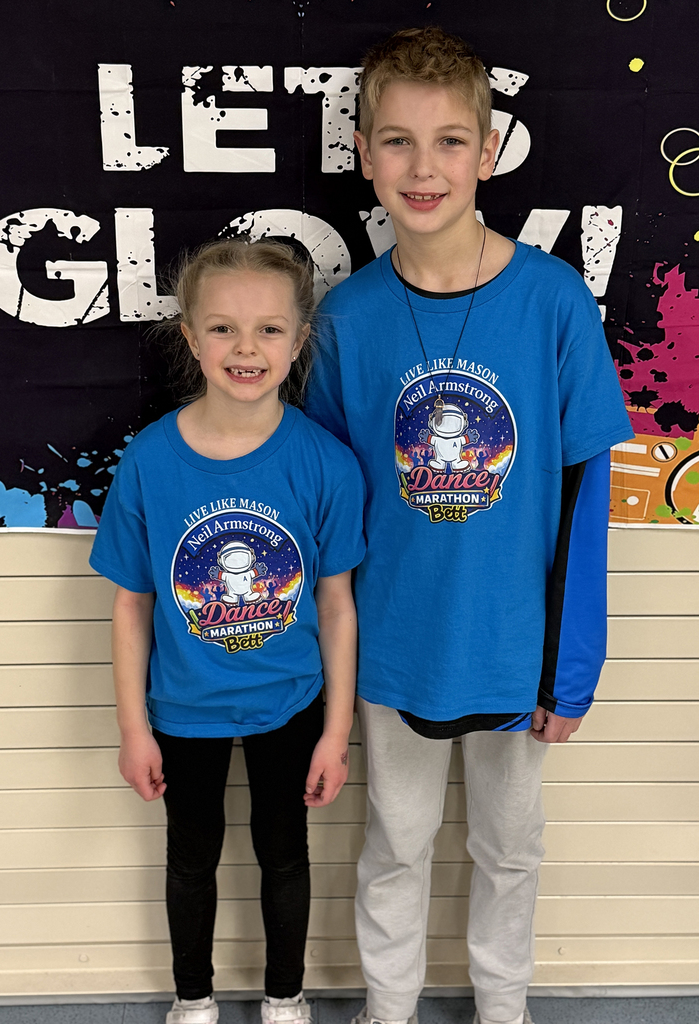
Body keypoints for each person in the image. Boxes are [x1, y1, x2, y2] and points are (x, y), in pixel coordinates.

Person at [304, 26, 632, 1024]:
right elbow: (326, 505)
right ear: (363, 154)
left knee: (509, 846)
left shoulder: (553, 302)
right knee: (395, 844)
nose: (423, 166)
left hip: (514, 648)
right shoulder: (348, 316)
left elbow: (587, 500)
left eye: (450, 141)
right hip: (393, 648)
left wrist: (571, 666)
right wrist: (328, 664)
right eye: (396, 141)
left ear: (488, 153)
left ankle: (503, 1004)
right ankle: (388, 1005)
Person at [89, 239, 366, 1024]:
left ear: (299, 340)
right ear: (188, 336)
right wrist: (133, 729)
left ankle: (286, 997)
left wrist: (336, 733)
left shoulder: (326, 464)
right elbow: (131, 604)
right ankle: (194, 999)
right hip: (183, 708)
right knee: (191, 860)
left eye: (270, 330)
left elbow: (339, 605)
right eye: (223, 329)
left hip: (291, 703)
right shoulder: (149, 463)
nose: (246, 349)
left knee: (284, 855)